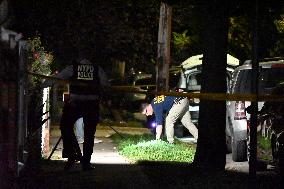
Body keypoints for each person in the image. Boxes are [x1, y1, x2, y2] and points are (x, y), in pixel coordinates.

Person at [43, 49, 110, 171]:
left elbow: (58, 78)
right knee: (89, 134)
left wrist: (43, 84)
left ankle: (72, 153)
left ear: (79, 58)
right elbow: (105, 84)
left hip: (75, 103)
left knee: (65, 126)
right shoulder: (97, 69)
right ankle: (86, 163)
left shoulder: (73, 68)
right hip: (92, 104)